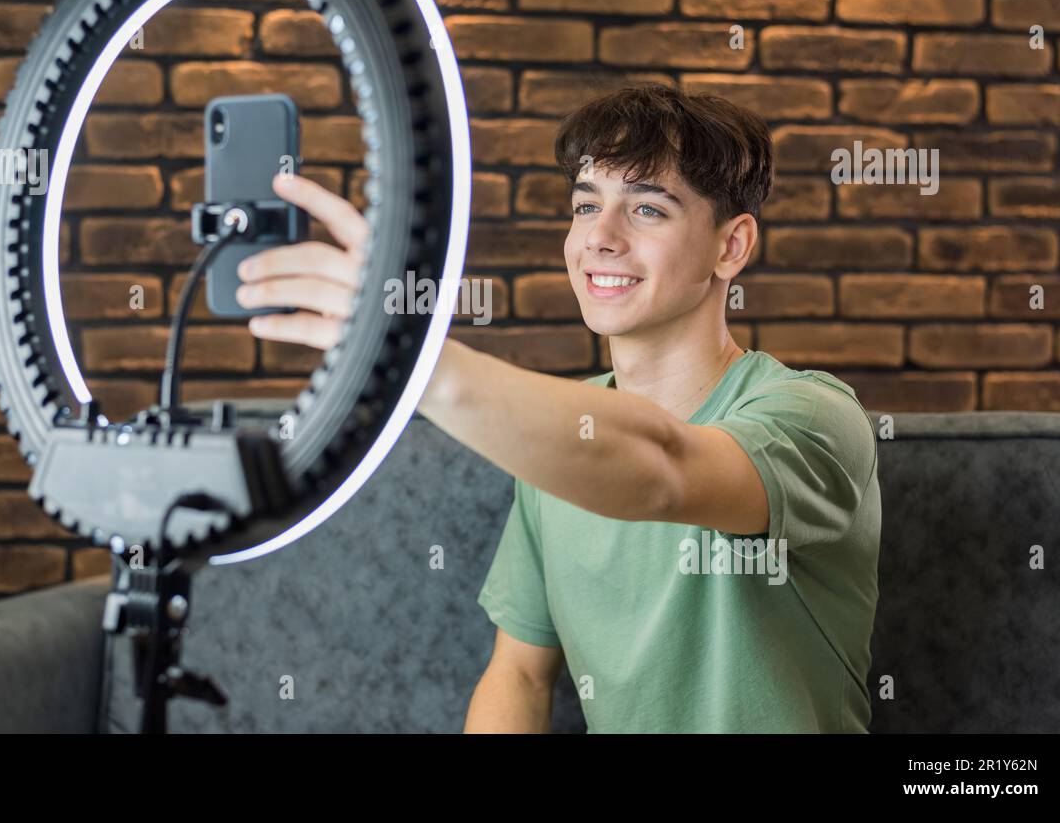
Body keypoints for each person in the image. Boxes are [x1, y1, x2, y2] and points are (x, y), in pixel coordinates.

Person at [234, 83, 881, 733]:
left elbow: (664, 470)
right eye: (584, 204)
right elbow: (518, 673)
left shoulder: (816, 416)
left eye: (648, 209)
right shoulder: (557, 442)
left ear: (731, 246)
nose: (599, 237)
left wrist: (412, 356)